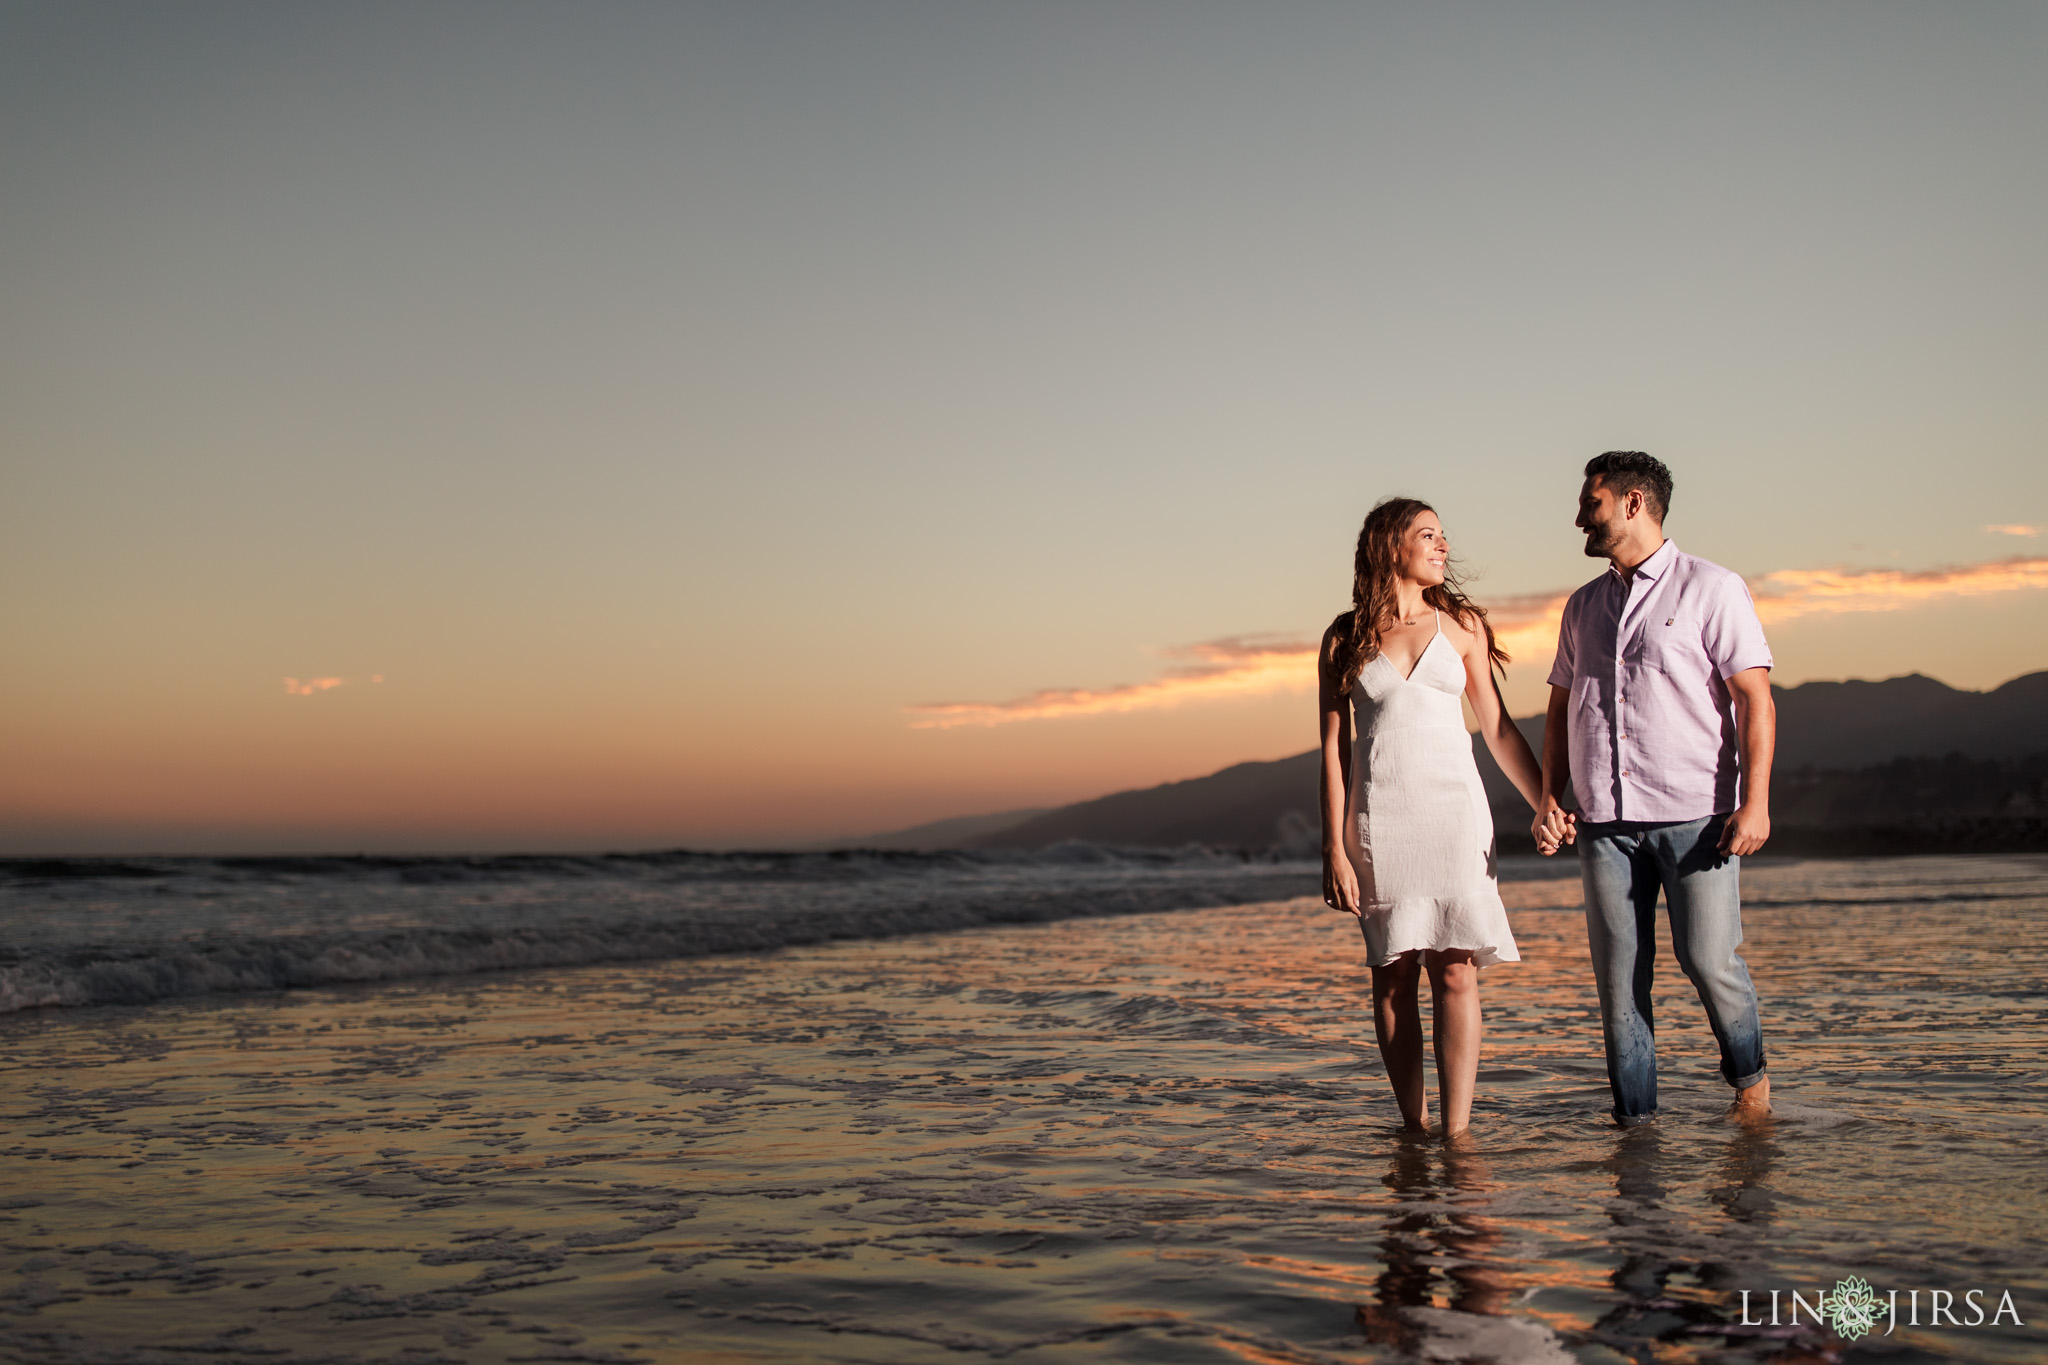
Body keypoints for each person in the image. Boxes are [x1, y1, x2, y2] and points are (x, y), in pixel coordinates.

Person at [1530, 451, 1775, 1127]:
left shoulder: (1712, 587)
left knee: (1706, 959)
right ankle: (1635, 1129)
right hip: (1604, 823)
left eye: (1593, 501)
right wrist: (1551, 798)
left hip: (1698, 817)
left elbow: (1754, 697)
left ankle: (1750, 1081)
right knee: (1620, 990)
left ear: (1634, 502)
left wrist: (1754, 802)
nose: (1581, 513)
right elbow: (1559, 708)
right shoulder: (1582, 606)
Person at [1319, 497, 1569, 1137]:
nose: (1443, 546)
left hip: (1453, 816)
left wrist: (1545, 801)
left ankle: (1456, 1134)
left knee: (1455, 971)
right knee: (1393, 975)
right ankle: (1414, 1126)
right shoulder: (1344, 638)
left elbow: (1498, 728)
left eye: (1443, 536)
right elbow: (1333, 750)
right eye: (1427, 535)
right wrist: (1334, 850)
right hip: (1379, 822)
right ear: (1389, 546)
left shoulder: (1460, 626)